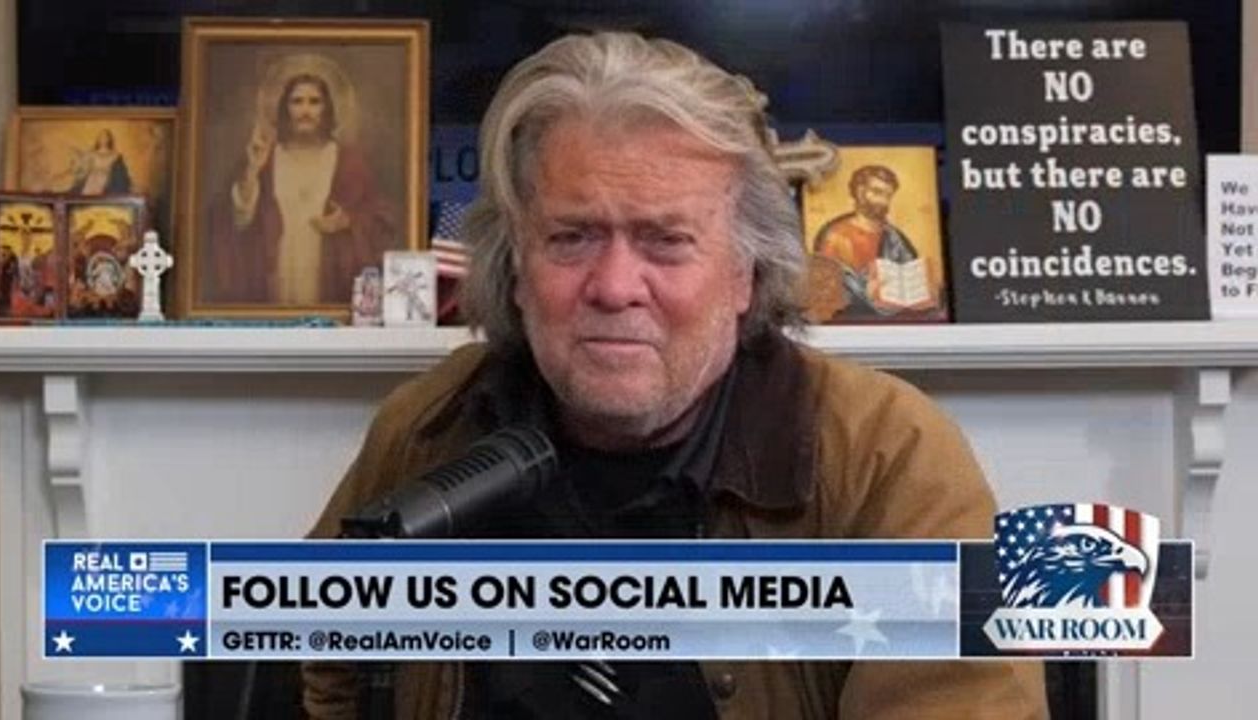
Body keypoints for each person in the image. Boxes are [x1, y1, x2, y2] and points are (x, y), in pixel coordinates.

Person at [304, 32, 1047, 719]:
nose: (614, 286)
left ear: (746, 274)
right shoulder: (430, 427)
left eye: (665, 241)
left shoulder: (890, 456)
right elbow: (313, 668)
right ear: (516, 267)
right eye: (572, 237)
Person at [207, 63, 395, 305]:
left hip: (329, 277)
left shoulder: (350, 163)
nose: (305, 111)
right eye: (297, 102)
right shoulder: (265, 158)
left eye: (314, 102)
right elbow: (235, 220)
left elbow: (380, 218)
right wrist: (253, 170)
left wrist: (347, 221)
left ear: (327, 108)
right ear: (285, 108)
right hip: (276, 277)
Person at [813, 165, 939, 315]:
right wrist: (866, 290)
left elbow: (911, 274)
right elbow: (827, 285)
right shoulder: (835, 235)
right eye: (877, 192)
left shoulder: (894, 237)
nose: (883, 201)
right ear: (860, 192)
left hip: (897, 317)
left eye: (888, 195)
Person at [69, 129, 132, 196]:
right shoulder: (92, 153)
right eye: (101, 137)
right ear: (98, 139)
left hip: (107, 179)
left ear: (109, 139)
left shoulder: (115, 155)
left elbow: (120, 171)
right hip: (92, 179)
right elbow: (83, 166)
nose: (103, 139)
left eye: (105, 137)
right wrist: (77, 158)